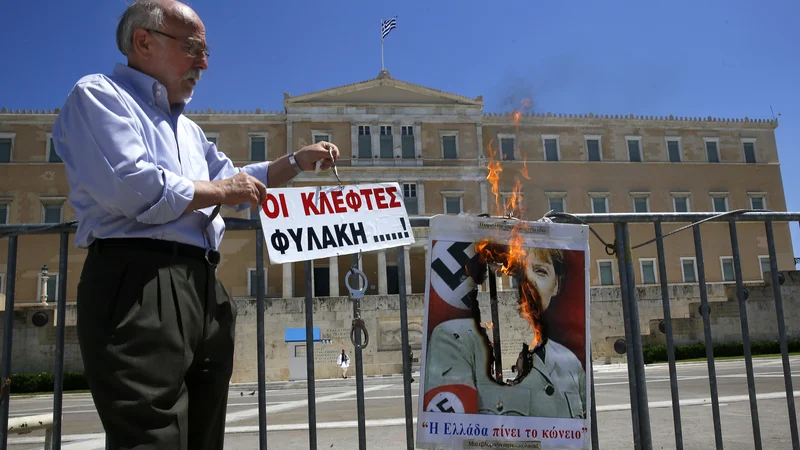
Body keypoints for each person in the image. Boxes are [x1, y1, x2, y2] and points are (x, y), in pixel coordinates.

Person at [50, 1, 339, 449]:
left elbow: (241, 181)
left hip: (202, 284)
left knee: (204, 434)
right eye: (193, 48)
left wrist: (296, 162)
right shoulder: (99, 96)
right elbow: (136, 187)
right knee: (150, 435)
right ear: (143, 40)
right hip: (138, 281)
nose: (204, 63)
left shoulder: (187, 130)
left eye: (205, 52)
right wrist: (224, 191)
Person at [423, 246, 586, 418]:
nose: (528, 281)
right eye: (516, 270)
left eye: (540, 271)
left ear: (556, 285)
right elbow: (449, 432)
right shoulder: (454, 341)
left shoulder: (571, 363)